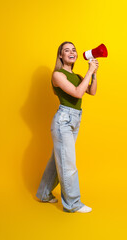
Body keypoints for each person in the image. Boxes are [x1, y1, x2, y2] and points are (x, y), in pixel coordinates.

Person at [36, 41, 99, 213]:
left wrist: (94, 74)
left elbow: (91, 92)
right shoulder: (58, 75)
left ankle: (43, 193)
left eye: (73, 50)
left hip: (75, 120)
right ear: (61, 56)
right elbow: (78, 93)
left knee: (58, 160)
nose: (71, 52)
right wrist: (90, 71)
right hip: (63, 120)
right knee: (68, 163)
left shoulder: (78, 76)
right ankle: (72, 204)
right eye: (66, 50)